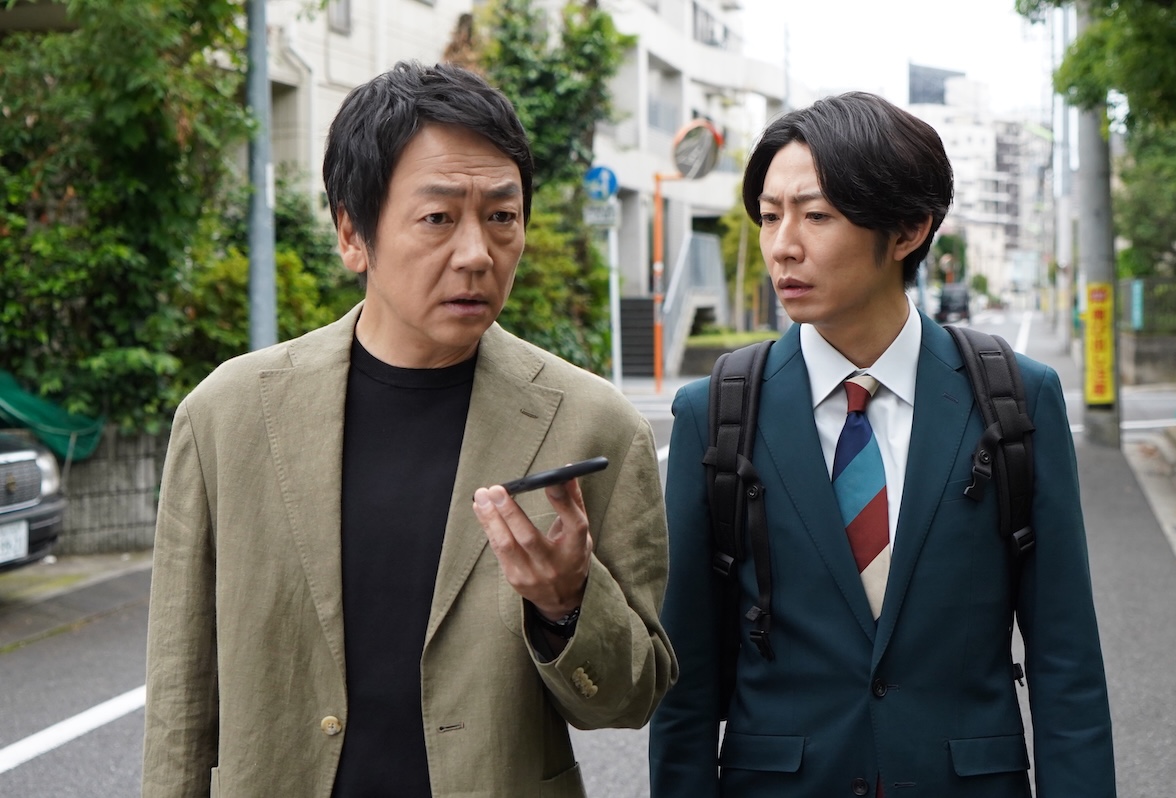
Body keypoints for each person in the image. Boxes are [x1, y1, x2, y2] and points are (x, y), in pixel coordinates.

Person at [142, 61, 676, 798]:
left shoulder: (594, 426)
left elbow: (629, 699)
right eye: (438, 218)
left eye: (502, 216)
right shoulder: (225, 418)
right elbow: (179, 699)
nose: (477, 253)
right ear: (352, 235)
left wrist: (568, 604)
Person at [648, 92, 1116, 797]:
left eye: (815, 215)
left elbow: (1066, 661)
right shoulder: (715, 412)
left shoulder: (1017, 399)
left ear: (908, 229)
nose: (782, 246)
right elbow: (683, 681)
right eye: (770, 216)